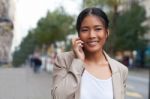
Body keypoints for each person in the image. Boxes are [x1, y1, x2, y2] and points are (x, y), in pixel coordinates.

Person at [51, 7, 128, 99]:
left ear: (106, 33)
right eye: (85, 30)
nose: (91, 35)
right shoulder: (64, 60)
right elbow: (58, 97)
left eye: (98, 29)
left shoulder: (121, 70)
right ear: (79, 35)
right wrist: (78, 61)